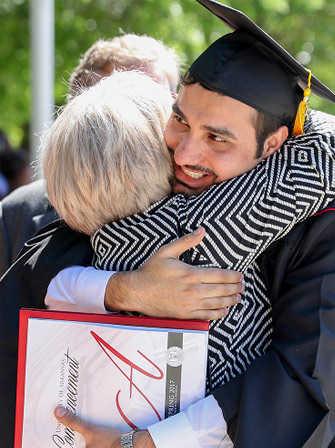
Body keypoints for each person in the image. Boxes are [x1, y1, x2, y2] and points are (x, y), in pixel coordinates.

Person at [1, 0, 335, 447]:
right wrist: (127, 288)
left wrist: (142, 443)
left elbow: (303, 374)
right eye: (179, 119)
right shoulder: (138, 193)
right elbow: (34, 278)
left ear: (274, 144)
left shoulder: (320, 226)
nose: (184, 154)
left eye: (217, 137)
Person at [0, 34, 181, 277]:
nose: (146, 114)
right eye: (125, 99)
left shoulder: (200, 213)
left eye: (159, 100)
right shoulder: (15, 216)